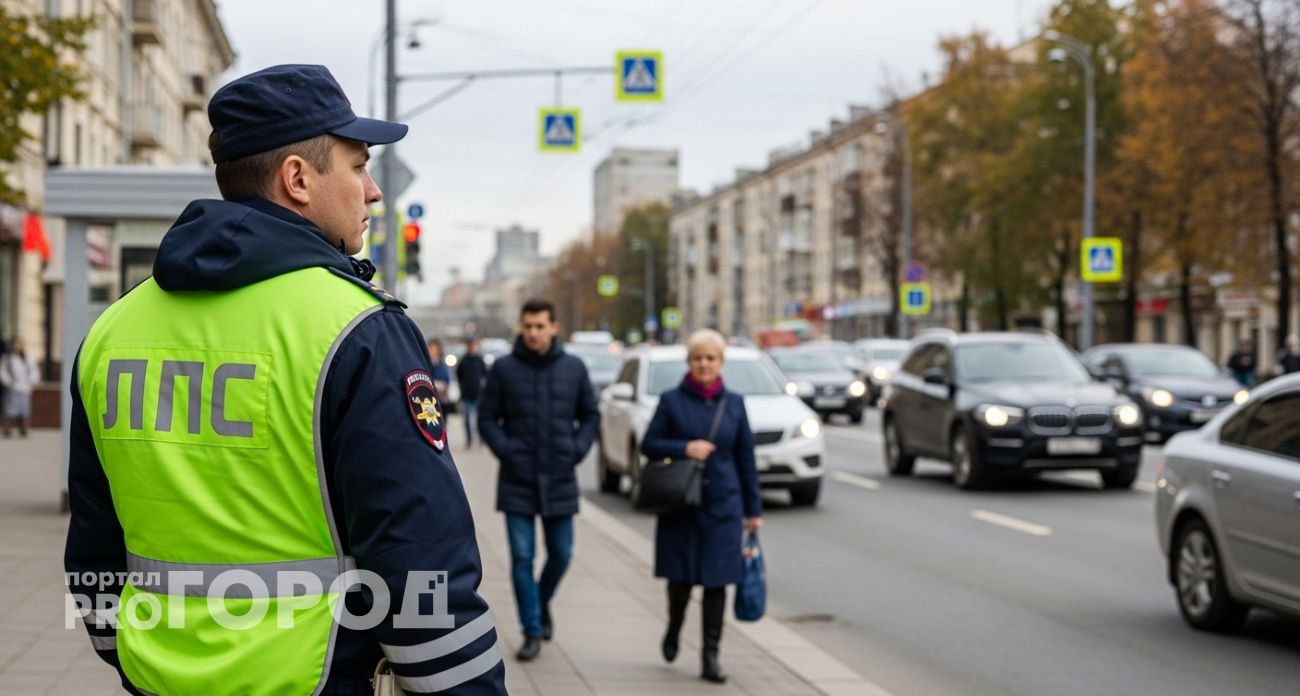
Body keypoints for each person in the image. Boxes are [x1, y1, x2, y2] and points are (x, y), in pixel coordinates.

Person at [62, 65, 506, 696]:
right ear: (297, 178)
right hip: (314, 677)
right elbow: (419, 558)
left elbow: (94, 544)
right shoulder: (357, 328)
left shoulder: (113, 331)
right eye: (358, 166)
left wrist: (130, 654)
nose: (373, 190)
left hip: (154, 678)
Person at [478, 299, 599, 662]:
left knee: (561, 555)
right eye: (527, 326)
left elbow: (590, 415)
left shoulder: (574, 368)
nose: (533, 333)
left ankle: (539, 601)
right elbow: (486, 418)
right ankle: (531, 630)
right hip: (518, 478)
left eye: (539, 326)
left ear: (553, 327)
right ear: (521, 328)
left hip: (560, 476)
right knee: (521, 558)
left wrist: (576, 449)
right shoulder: (503, 368)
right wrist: (507, 450)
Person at [641, 328, 762, 685]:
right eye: (698, 358)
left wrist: (753, 512)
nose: (704, 364)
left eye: (710, 358)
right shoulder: (671, 400)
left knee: (716, 582)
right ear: (689, 362)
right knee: (680, 580)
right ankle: (674, 626)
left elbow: (746, 460)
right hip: (681, 503)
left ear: (720, 362)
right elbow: (649, 444)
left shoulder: (735, 403)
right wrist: (685, 448)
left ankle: (711, 655)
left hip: (723, 505)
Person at [0, 336, 40, 437]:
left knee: (24, 410)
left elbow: (34, 370)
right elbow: (3, 372)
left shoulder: (27, 358)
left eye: (19, 344)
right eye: (15, 344)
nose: (17, 346)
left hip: (25, 388)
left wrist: (32, 381)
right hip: (12, 389)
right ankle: (7, 429)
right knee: (9, 410)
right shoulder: (7, 358)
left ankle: (24, 428)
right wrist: (9, 382)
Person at [455, 338, 487, 447]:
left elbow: (485, 375)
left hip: (479, 394)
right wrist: (462, 388)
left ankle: (481, 439)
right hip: (466, 395)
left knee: (480, 420)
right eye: (470, 346)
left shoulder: (480, 360)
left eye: (473, 346)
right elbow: (458, 377)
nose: (471, 348)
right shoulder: (463, 361)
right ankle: (469, 440)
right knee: (467, 420)